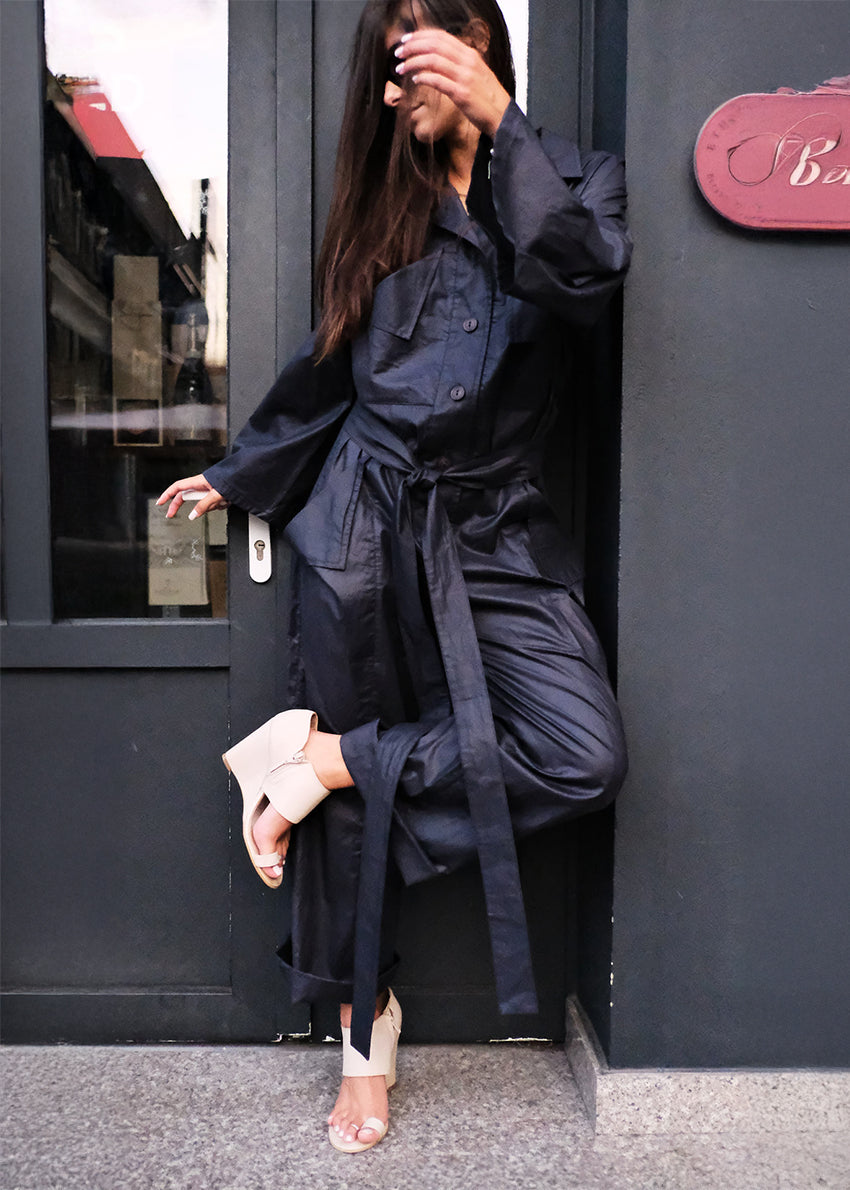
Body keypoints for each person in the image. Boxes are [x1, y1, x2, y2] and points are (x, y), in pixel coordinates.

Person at [158, 0, 631, 1155]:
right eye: (392, 54)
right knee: (353, 779)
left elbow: (584, 281)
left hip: (498, 523)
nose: (404, 69)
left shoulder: (574, 180)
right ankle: (362, 1040)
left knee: (578, 752)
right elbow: (330, 370)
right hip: (364, 519)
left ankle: (307, 760)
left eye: (431, 43)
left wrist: (495, 126)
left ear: (483, 50)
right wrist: (243, 470)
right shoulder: (379, 209)